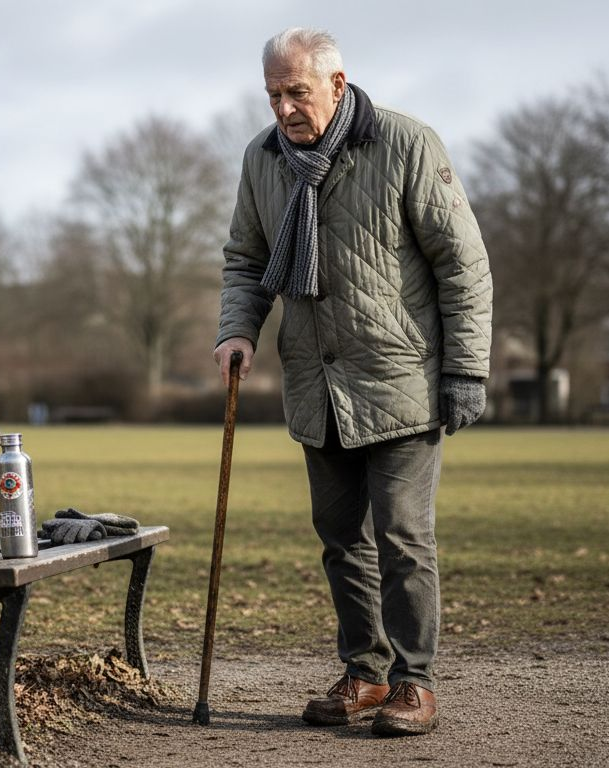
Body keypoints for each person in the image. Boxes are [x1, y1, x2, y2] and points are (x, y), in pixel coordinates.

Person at [214, 27, 492, 737]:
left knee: (402, 535)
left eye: (295, 92)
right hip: (316, 384)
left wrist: (465, 369)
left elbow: (462, 264)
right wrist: (237, 330)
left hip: (401, 379)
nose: (282, 109)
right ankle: (365, 673)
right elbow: (245, 260)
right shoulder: (263, 159)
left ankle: (414, 683)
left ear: (337, 85)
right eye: (272, 94)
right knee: (340, 537)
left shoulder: (405, 144)